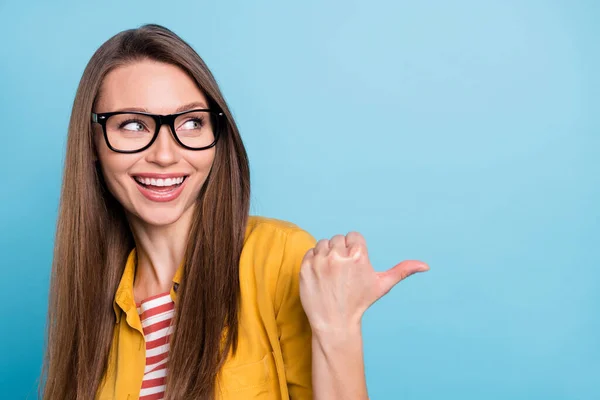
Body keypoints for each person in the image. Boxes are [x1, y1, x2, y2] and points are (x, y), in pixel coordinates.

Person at [41, 24, 429, 400]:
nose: (164, 154)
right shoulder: (92, 301)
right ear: (92, 143)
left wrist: (338, 328)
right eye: (133, 125)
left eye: (191, 122)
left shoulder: (278, 258)